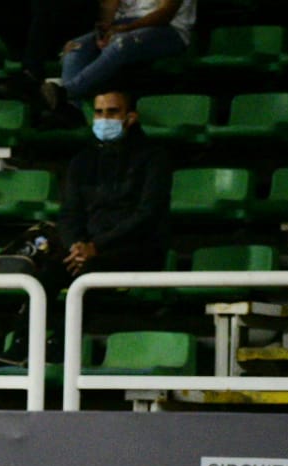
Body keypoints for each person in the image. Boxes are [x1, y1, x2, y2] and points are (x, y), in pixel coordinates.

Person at [55, 89, 170, 282]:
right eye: (99, 112)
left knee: (90, 274)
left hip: (137, 249)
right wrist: (76, 246)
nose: (104, 118)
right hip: (87, 248)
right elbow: (69, 213)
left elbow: (147, 215)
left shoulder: (154, 158)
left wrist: (96, 246)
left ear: (130, 118)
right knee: (47, 272)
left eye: (113, 111)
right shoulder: (81, 161)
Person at [52, 0, 195, 104]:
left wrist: (125, 30)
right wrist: (103, 33)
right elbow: (109, 11)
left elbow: (165, 14)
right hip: (124, 24)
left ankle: (66, 93)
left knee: (120, 44)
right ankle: (71, 111)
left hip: (168, 29)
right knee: (76, 47)